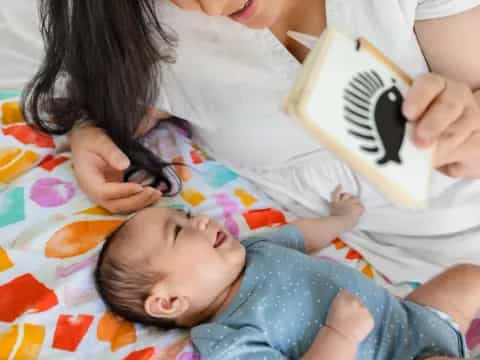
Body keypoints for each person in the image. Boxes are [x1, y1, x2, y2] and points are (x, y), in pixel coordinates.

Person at [23, 0, 480, 282]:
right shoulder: (159, 38)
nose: (214, 6)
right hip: (390, 282)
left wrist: (467, 130)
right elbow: (123, 100)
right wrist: (91, 131)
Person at [95, 189, 476, 359]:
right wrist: (339, 335)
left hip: (410, 320)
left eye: (187, 215)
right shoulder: (225, 339)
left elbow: (303, 236)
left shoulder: (256, 250)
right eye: (180, 230)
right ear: (169, 301)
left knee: (467, 278)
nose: (202, 219)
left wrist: (339, 220)